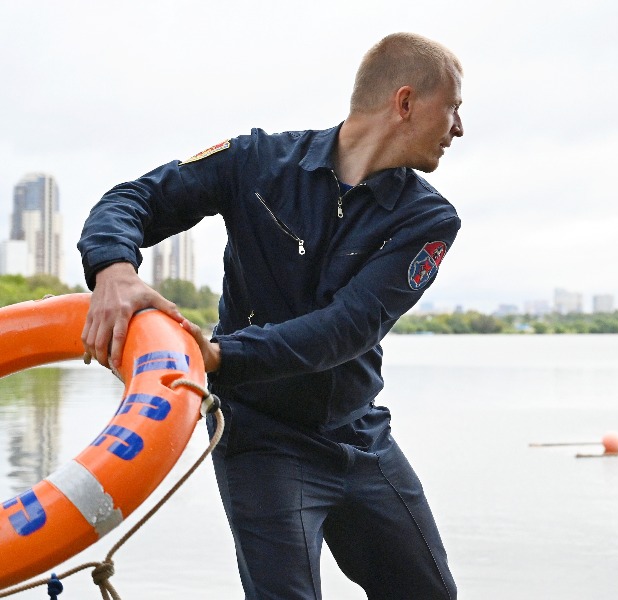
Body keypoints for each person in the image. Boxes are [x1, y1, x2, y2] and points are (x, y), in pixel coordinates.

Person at [78, 32, 463, 600]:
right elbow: (132, 199)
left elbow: (346, 329)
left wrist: (219, 355)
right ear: (405, 103)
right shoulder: (255, 162)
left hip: (359, 436)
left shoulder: (428, 219)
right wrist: (113, 269)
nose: (459, 128)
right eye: (453, 108)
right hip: (259, 437)